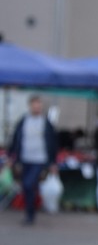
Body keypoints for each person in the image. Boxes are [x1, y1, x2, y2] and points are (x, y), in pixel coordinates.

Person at [7, 95, 59, 225]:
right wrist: (11, 156)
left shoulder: (46, 123)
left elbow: (53, 143)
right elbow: (15, 139)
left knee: (29, 184)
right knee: (27, 186)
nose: (37, 107)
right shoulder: (23, 121)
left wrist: (53, 162)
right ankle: (30, 211)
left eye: (39, 104)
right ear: (30, 106)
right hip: (25, 159)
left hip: (39, 159)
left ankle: (31, 213)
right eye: (34, 104)